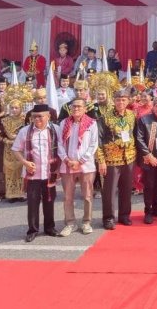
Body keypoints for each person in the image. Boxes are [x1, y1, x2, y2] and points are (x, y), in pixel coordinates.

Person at [11, 104, 60, 242]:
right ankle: (32, 230)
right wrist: (25, 162)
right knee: (32, 203)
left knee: (49, 201)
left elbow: (61, 149)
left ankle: (50, 228)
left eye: (40, 116)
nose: (37, 119)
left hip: (49, 173)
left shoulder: (55, 130)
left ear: (48, 116)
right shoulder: (25, 131)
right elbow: (16, 149)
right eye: (34, 116)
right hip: (32, 174)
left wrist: (59, 168)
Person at [57, 97, 99, 236]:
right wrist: (67, 160)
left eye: (79, 106)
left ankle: (86, 222)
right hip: (67, 165)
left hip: (85, 165)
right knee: (68, 197)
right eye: (74, 106)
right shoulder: (64, 123)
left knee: (87, 196)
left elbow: (93, 145)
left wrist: (80, 161)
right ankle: (70, 223)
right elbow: (59, 145)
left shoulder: (91, 124)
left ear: (85, 109)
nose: (76, 109)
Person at [97, 90, 137, 229]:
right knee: (109, 190)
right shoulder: (104, 117)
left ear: (128, 101)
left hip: (129, 158)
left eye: (124, 100)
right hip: (111, 160)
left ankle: (124, 215)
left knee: (126, 189)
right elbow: (99, 141)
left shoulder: (132, 115)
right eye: (118, 99)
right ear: (113, 100)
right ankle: (108, 218)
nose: (121, 102)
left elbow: (134, 135)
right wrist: (101, 160)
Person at [1, 100, 26, 202]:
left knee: (21, 171)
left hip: (21, 149)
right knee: (10, 171)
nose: (14, 110)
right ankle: (11, 195)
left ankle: (21, 193)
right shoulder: (5, 120)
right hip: (9, 149)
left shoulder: (25, 120)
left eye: (16, 108)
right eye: (12, 108)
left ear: (21, 108)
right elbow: (0, 134)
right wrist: (7, 141)